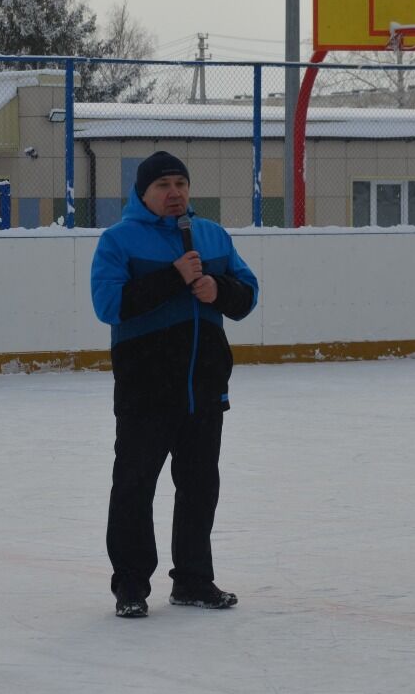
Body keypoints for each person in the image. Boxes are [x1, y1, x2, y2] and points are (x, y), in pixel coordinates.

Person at [90, 151, 259, 619]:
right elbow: (109, 304)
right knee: (134, 487)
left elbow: (246, 296)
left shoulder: (212, 236)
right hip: (146, 392)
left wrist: (218, 290)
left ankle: (193, 580)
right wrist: (174, 277)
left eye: (180, 183)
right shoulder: (118, 241)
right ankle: (130, 585)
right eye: (163, 185)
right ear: (142, 193)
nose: (174, 193)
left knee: (200, 487)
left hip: (204, 389)